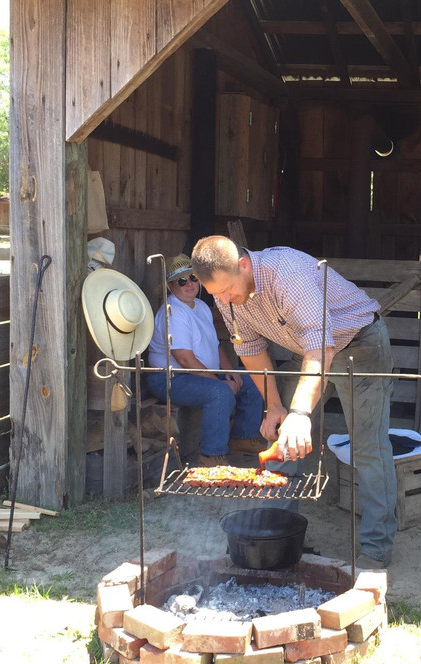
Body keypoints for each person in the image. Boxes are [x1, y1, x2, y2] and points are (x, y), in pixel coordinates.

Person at [189, 236, 396, 570]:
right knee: (281, 440)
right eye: (215, 295)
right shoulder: (226, 296)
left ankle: (376, 547)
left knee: (367, 447)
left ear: (243, 265)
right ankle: (276, 537)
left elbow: (321, 347)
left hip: (360, 345)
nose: (224, 300)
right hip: (312, 353)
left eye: (226, 290)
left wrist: (299, 412)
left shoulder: (286, 273)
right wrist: (275, 406)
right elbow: (251, 350)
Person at [146, 254, 267, 466]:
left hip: (197, 373)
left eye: (193, 278)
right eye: (182, 281)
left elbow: (215, 345)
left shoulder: (201, 306)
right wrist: (219, 382)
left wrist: (231, 373)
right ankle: (212, 456)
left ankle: (243, 438)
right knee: (219, 393)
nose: (190, 284)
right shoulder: (171, 311)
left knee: (252, 380)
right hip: (170, 378)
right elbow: (184, 359)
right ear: (170, 285)